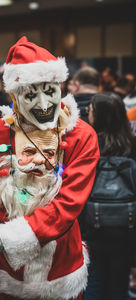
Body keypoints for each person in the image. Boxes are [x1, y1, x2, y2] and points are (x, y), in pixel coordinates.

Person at [0, 36, 99, 300]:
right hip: (2, 272)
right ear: (14, 96)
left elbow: (68, 205)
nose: (43, 105)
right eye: (31, 95)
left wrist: (6, 239)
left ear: (60, 86)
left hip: (59, 268)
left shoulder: (81, 136)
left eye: (49, 91)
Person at [82, 93, 136, 300]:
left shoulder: (90, 144)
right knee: (118, 288)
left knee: (93, 283)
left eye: (91, 110)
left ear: (101, 116)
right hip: (126, 230)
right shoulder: (132, 144)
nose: (88, 112)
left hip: (93, 227)